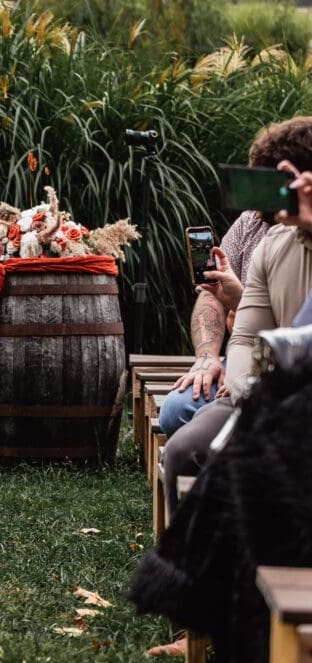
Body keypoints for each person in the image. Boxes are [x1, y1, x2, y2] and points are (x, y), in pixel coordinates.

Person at [161, 115, 312, 516]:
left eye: (272, 185)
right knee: (183, 448)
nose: (263, 201)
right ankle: (197, 575)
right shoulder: (268, 239)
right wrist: (244, 389)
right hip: (268, 390)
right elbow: (247, 337)